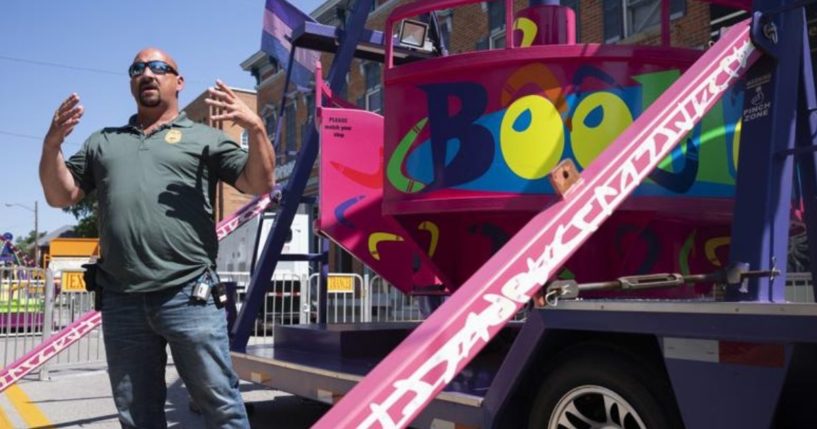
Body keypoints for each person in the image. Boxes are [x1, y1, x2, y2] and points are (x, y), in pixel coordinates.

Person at [39, 47, 275, 428]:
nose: (147, 73)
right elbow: (60, 195)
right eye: (137, 68)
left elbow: (259, 182)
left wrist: (256, 129)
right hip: (122, 299)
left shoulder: (203, 138)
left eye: (158, 67)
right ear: (131, 81)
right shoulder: (104, 142)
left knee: (221, 407)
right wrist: (52, 146)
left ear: (178, 82)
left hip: (189, 295)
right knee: (138, 415)